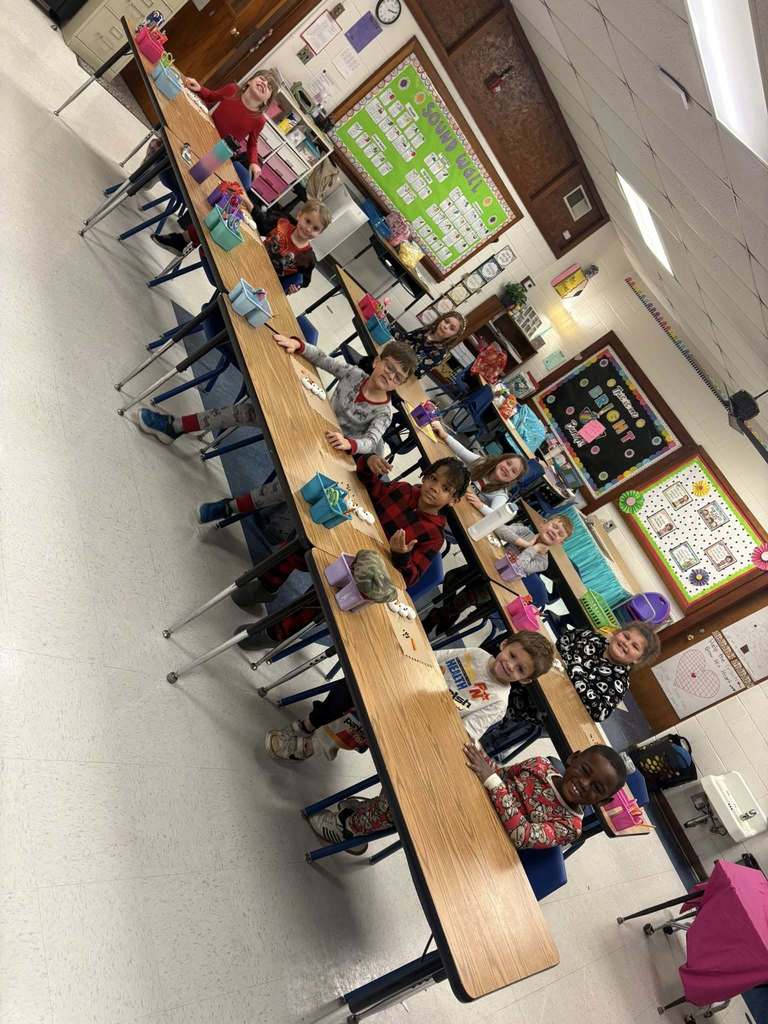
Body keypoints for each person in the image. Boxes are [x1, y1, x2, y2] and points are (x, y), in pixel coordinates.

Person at [231, 455, 471, 648]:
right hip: (345, 543)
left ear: (454, 500)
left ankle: (275, 634)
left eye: (445, 488)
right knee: (300, 544)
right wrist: (368, 464)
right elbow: (372, 492)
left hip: (362, 573)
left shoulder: (433, 536)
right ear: (425, 476)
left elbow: (409, 578)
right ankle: (266, 587)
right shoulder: (405, 490)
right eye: (433, 479)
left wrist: (401, 555)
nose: (434, 488)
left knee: (322, 598)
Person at [266, 630, 555, 762]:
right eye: (512, 655)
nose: (510, 665)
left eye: (520, 669)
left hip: (415, 723)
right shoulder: (476, 654)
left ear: (525, 680)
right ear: (504, 644)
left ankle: (312, 746)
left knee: (361, 722)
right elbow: (431, 658)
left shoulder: (498, 703)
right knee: (348, 687)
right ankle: (309, 724)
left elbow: (464, 732)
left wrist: (435, 709)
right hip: (402, 688)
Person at [307, 744, 626, 853]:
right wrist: (477, 753)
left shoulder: (571, 826)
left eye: (597, 789)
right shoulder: (542, 765)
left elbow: (522, 835)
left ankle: (349, 828)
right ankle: (370, 817)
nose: (584, 784)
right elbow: (501, 773)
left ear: (602, 802)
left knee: (402, 802)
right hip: (470, 800)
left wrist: (491, 780)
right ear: (573, 758)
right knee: (414, 772)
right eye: (585, 770)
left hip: (475, 840)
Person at [152, 69, 279, 255]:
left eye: (269, 86)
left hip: (218, 156)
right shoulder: (232, 90)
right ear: (249, 81)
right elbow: (211, 96)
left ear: (267, 101)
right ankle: (152, 172)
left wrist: (253, 162)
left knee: (219, 192)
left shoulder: (259, 120)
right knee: (167, 146)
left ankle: (186, 233)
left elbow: (252, 143)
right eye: (262, 78)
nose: (264, 83)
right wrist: (199, 88)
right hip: (199, 136)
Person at [421, 515, 574, 638]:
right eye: (554, 526)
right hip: (487, 565)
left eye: (560, 534)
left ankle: (434, 617)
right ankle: (449, 616)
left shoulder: (543, 562)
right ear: (544, 523)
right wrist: (525, 543)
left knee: (465, 598)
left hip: (497, 584)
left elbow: (519, 565)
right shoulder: (525, 531)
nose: (555, 532)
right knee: (452, 577)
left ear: (561, 543)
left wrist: (534, 549)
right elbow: (499, 528)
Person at [506, 622, 661, 726]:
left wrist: (575, 669)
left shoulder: (619, 682)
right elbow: (564, 641)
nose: (626, 643)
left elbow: (599, 713)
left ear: (638, 659)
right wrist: (568, 663)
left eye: (635, 646)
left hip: (542, 707)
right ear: (616, 633)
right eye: (626, 636)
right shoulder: (593, 638)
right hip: (533, 679)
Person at [431, 420, 532, 515]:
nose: (507, 469)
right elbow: (462, 451)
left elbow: (495, 515)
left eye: (513, 471)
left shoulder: (500, 495)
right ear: (501, 460)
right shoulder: (484, 463)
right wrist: (444, 435)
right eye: (508, 463)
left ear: (513, 479)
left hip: (461, 513)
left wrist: (481, 506)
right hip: (447, 498)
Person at [260, 199, 331, 295]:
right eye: (308, 221)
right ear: (299, 215)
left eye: (315, 228)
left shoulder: (308, 258)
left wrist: (296, 286)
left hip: (268, 284)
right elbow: (262, 224)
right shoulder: (282, 225)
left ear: (319, 233)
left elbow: (305, 280)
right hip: (255, 257)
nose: (308, 229)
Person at [390, 312, 467, 378]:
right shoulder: (426, 330)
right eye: (446, 321)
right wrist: (390, 327)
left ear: (454, 336)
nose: (446, 326)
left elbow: (418, 370)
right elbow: (405, 337)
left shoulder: (441, 352)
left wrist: (402, 353)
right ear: (441, 319)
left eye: (452, 328)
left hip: (405, 374)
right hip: (396, 358)